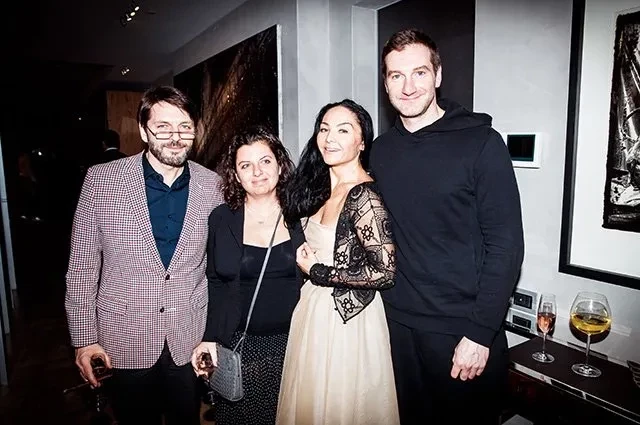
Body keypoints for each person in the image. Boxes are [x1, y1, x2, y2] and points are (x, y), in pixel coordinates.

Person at [369, 28, 525, 424]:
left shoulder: (482, 143)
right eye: (396, 75)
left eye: (419, 73)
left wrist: (480, 332)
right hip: (397, 326)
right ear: (385, 83)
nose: (408, 87)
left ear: (438, 75)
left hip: (462, 331)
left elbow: (506, 246)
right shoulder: (381, 151)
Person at [65, 85, 223, 425]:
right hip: (124, 336)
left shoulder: (214, 185)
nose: (175, 137)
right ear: (142, 130)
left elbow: (218, 267)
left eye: (184, 127)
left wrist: (216, 333)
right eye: (163, 127)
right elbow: (81, 268)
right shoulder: (101, 181)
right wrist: (84, 340)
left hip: (189, 336)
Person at [277, 99, 400, 425]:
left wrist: (317, 271)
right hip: (313, 309)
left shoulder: (363, 196)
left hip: (348, 320)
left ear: (362, 142)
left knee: (341, 407)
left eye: (343, 130)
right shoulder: (321, 187)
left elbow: (384, 272)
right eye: (324, 129)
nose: (330, 138)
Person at [191, 126, 305, 425]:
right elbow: (215, 282)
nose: (257, 172)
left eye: (265, 161)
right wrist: (210, 337)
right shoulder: (221, 218)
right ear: (236, 175)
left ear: (280, 165)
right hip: (241, 346)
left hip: (297, 345)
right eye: (246, 165)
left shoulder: (303, 214)